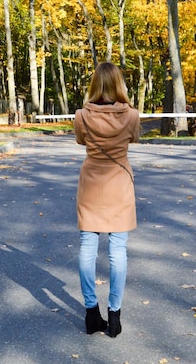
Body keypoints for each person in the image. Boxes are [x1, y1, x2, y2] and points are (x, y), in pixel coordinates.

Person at [73, 62, 140, 337]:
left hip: (91, 184)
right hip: (119, 185)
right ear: (118, 85)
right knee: (118, 250)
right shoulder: (131, 116)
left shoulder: (81, 115)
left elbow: (81, 141)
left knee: (88, 246)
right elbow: (133, 139)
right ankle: (114, 315)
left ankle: (91, 313)